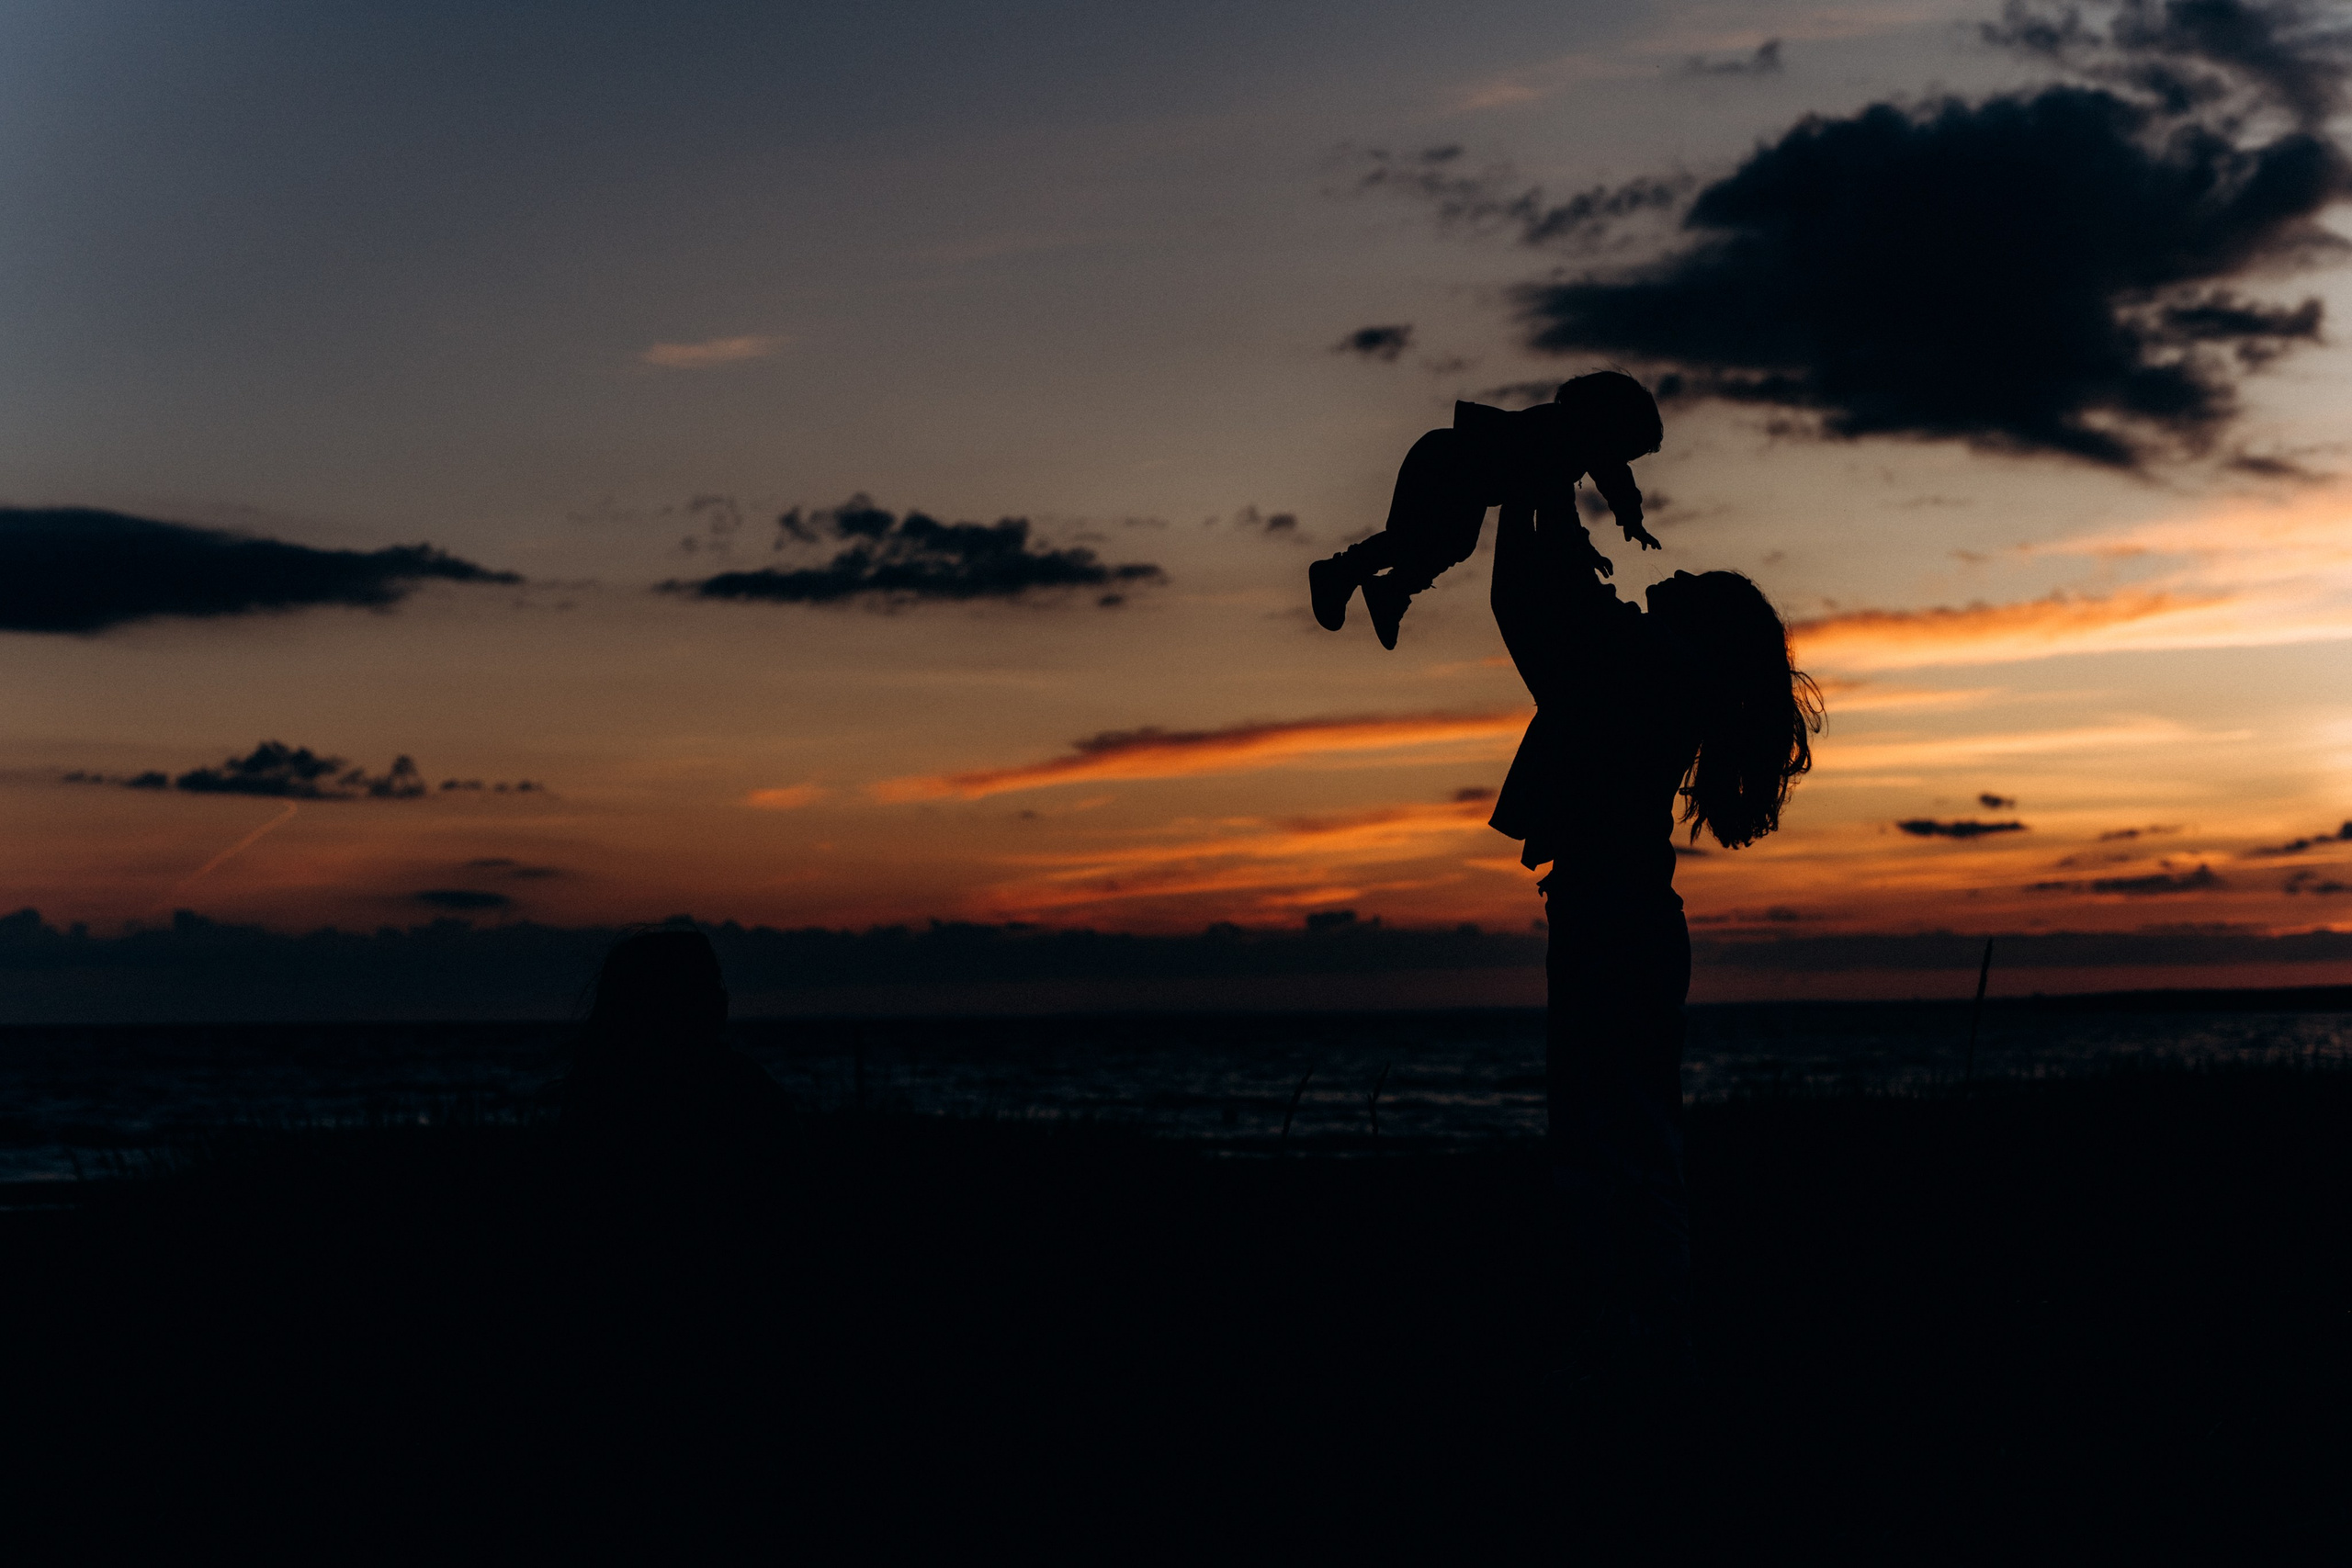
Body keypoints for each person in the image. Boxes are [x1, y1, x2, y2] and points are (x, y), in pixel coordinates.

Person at [1487, 498, 1819, 1397]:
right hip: (1617, 913)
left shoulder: (1642, 668)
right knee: (1623, 1143)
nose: (1670, 576)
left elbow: (1533, 603)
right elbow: (1530, 604)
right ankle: (1643, 1346)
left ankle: (1646, 1356)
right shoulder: (1645, 666)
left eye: (1692, 585)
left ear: (1698, 632)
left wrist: (1541, 483)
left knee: (1615, 1150)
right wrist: (1535, 491)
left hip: (1613, 919)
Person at [1310, 371, 1665, 650]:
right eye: (1624, 450)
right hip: (1444, 462)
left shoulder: (1575, 442)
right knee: (1414, 540)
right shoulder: (1560, 436)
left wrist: (1625, 522)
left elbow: (1602, 482)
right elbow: (1566, 503)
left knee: (1451, 545)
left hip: (1463, 478)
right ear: (1607, 426)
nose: (1621, 461)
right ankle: (1340, 573)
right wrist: (1592, 541)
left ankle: (1389, 591)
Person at [555, 928, 793, 1191]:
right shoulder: (740, 1087)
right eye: (704, 983)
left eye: (716, 981)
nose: (720, 995)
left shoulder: (603, 1097)